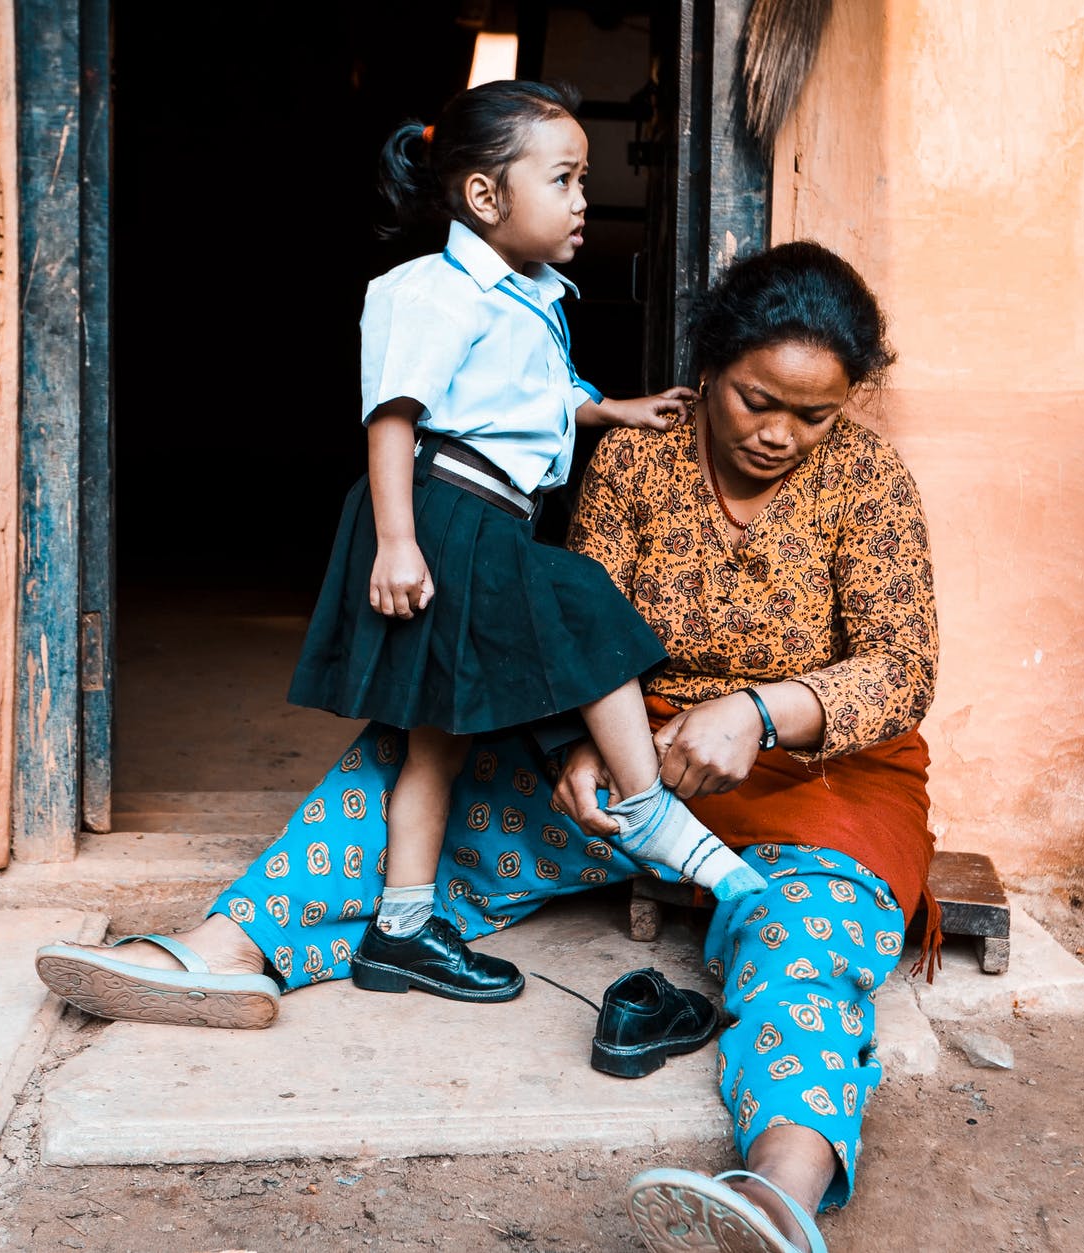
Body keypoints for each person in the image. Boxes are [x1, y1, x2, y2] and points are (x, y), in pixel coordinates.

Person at [37, 239, 937, 1253]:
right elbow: (574, 627)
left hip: (811, 785)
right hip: (637, 767)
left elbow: (902, 665)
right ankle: (225, 951)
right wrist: (578, 748)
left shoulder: (867, 480)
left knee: (803, 938)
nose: (778, 433)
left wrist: (762, 712)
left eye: (813, 415)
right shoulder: (638, 456)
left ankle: (775, 1192)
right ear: (710, 365)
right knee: (415, 756)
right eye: (755, 400)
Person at [286, 79, 768, 1004]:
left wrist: (610, 408)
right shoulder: (433, 293)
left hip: (486, 513)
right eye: (565, 179)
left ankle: (400, 931)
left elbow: (526, 398)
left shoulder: (526, 294)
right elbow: (393, 419)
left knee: (436, 744)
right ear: (484, 195)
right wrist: (397, 542)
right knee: (584, 606)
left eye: (584, 179)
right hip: (444, 513)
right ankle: (645, 807)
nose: (584, 198)